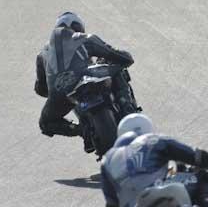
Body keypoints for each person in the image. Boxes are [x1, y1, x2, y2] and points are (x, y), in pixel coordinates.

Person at [35, 12, 135, 152]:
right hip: (86, 76)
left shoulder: (42, 54)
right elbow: (116, 55)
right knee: (117, 68)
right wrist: (125, 58)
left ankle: (83, 131)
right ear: (77, 26)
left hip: (61, 92)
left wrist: (56, 89)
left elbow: (40, 88)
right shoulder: (83, 38)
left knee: (46, 123)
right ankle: (127, 108)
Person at [101, 113, 208, 207]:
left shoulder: (107, 160)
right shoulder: (151, 139)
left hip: (133, 204)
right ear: (147, 129)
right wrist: (204, 159)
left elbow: (111, 202)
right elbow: (192, 155)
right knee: (203, 177)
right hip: (160, 189)